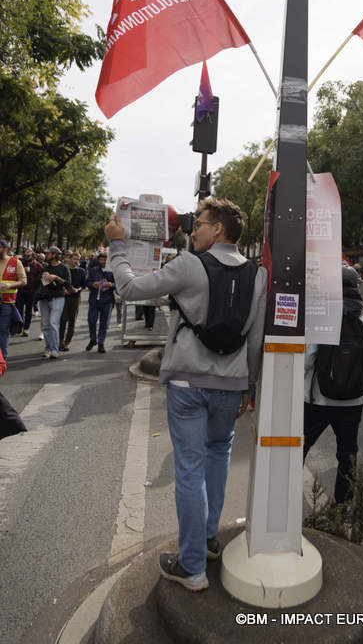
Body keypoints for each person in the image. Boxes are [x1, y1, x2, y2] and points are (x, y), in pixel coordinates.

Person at [105, 197, 267, 592]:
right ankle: (208, 541)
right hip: (231, 385)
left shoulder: (190, 264)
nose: (193, 230)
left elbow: (128, 288)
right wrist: (251, 385)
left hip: (187, 385)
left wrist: (117, 245)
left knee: (190, 471)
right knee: (217, 458)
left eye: (201, 223)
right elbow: (257, 339)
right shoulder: (259, 275)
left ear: (219, 230)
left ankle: (191, 566)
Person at [304, 267, 363, 502]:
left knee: (299, 448)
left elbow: (308, 360)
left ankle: (283, 504)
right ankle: (341, 509)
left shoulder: (321, 318)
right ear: (356, 288)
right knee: (348, 455)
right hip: (352, 402)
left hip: (318, 399)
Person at [37, 247, 70, 359]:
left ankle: (55, 349)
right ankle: (48, 348)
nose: (46, 255)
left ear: (55, 255)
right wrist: (43, 276)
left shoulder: (64, 268)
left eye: (48, 253)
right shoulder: (45, 267)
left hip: (58, 298)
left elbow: (68, 284)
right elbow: (38, 282)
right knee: (46, 325)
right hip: (44, 298)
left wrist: (56, 277)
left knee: (53, 323)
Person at [0, 238, 27, 359]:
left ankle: (2, 360)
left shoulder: (15, 262)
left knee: (3, 332)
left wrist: (10, 285)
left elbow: (23, 281)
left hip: (6, 303)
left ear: (4, 249)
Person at [86, 252, 115, 353]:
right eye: (101, 260)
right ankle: (93, 339)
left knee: (104, 323)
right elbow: (87, 282)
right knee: (91, 320)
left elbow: (119, 285)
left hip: (107, 301)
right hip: (94, 300)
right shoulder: (94, 270)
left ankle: (101, 343)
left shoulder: (112, 271)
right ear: (98, 260)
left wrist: (111, 284)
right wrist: (92, 284)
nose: (103, 262)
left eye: (105, 260)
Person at [59, 252, 86, 351]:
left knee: (72, 320)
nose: (76, 261)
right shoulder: (64, 269)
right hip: (64, 297)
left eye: (78, 259)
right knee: (62, 319)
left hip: (76, 297)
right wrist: (64, 290)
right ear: (69, 259)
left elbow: (84, 285)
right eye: (74, 259)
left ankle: (67, 342)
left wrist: (78, 289)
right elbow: (58, 282)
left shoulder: (81, 271)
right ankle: (60, 340)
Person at [15, 249, 43, 337]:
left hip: (31, 291)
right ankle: (20, 326)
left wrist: (37, 290)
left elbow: (41, 279)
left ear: (33, 256)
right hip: (20, 290)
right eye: (25, 255)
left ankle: (26, 328)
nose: (26, 256)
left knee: (28, 311)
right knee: (19, 309)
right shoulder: (20, 263)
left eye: (28, 255)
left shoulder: (38, 266)